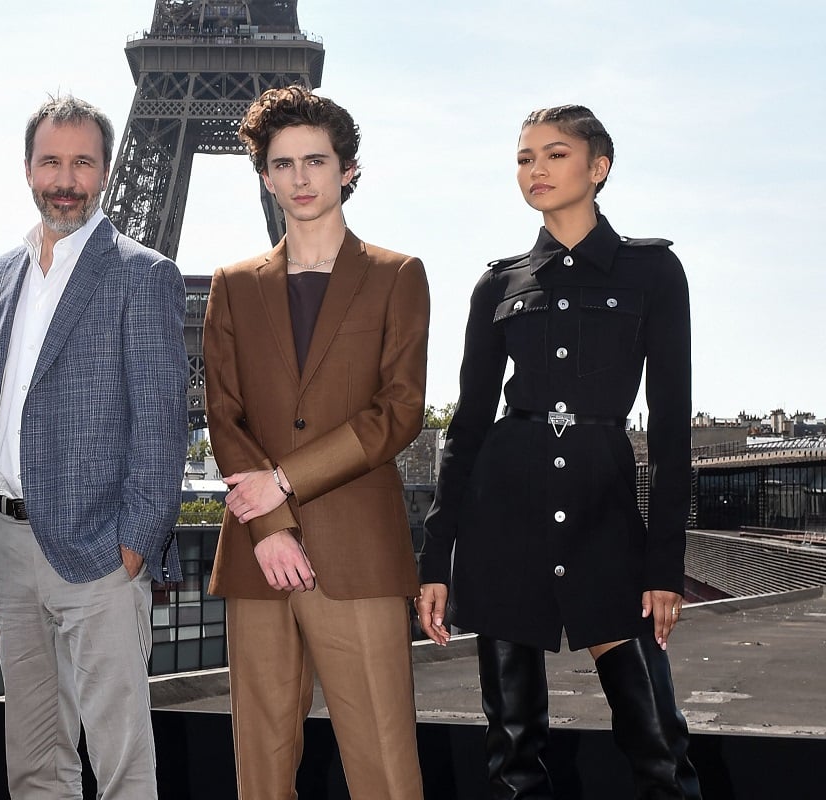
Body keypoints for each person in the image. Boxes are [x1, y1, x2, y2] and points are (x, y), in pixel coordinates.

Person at [416, 105, 702, 799]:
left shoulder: (654, 272)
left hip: (606, 523)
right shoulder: (498, 284)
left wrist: (664, 564)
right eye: (523, 158)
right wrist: (436, 559)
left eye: (554, 154)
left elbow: (669, 430)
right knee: (512, 751)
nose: (535, 170)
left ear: (598, 168)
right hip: (503, 523)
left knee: (658, 740)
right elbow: (468, 428)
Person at [203, 85, 429, 799]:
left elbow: (398, 412)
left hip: (358, 554)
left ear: (348, 171)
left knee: (386, 772)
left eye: (316, 161)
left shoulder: (398, 276)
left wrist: (285, 482)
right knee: (259, 776)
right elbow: (223, 416)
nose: (300, 179)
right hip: (257, 554)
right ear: (265, 176)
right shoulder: (232, 285)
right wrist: (269, 524)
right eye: (283, 164)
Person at [0, 95, 186, 798]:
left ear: (108, 169)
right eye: (51, 160)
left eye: (82, 162)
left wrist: (133, 545)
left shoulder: (142, 272)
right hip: (9, 540)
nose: (66, 178)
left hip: (100, 550)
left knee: (121, 761)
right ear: (28, 167)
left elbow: (161, 425)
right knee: (35, 759)